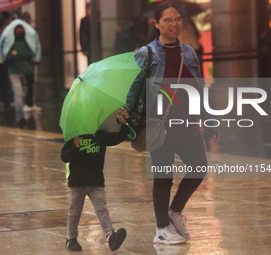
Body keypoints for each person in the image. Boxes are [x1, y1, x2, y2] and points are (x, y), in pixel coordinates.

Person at [119, 2, 219, 244]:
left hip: (188, 121)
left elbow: (199, 86)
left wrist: (208, 117)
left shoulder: (190, 52)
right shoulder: (147, 53)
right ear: (156, 24)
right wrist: (126, 110)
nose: (174, 23)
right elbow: (133, 87)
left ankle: (174, 211)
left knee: (198, 168)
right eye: (167, 20)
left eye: (177, 19)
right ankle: (161, 228)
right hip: (159, 123)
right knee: (163, 176)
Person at [61, 117, 133, 251]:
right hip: (78, 181)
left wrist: (124, 125)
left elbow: (116, 138)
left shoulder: (100, 135)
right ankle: (71, 238)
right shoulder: (74, 135)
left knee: (102, 209)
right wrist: (74, 147)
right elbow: (64, 156)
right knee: (74, 211)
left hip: (96, 180)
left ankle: (111, 236)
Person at [0, 19, 41, 128]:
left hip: (24, 70)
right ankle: (20, 116)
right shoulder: (14, 41)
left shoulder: (25, 41)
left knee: (20, 93)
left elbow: (27, 53)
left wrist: (16, 54)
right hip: (15, 71)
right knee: (18, 93)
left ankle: (20, 115)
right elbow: (9, 55)